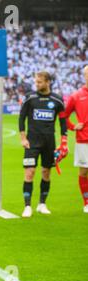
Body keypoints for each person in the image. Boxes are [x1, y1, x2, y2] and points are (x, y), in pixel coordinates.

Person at [19, 71, 67, 218]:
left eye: (40, 82)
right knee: (29, 172)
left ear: (48, 82)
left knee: (46, 173)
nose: (37, 84)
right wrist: (23, 138)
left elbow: (63, 122)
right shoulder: (30, 98)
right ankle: (27, 206)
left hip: (49, 142)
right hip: (32, 142)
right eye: (36, 82)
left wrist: (64, 141)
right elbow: (22, 118)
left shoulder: (57, 100)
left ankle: (42, 204)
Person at [60, 65, 88, 213]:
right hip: (84, 140)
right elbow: (63, 115)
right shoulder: (77, 96)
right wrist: (72, 126)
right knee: (84, 172)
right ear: (84, 76)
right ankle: (87, 202)